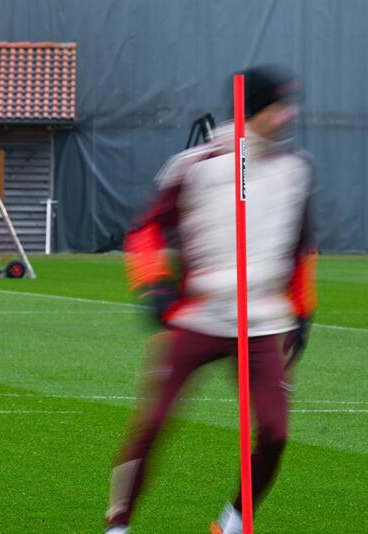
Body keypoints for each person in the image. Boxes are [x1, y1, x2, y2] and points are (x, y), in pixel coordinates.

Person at [104, 65, 317, 534]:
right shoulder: (196, 166)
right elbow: (145, 230)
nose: (288, 115)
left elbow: (302, 248)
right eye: (279, 105)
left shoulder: (295, 172)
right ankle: (119, 523)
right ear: (255, 110)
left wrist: (303, 312)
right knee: (154, 424)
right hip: (197, 319)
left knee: (277, 433)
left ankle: (234, 521)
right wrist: (154, 284)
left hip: (263, 323)